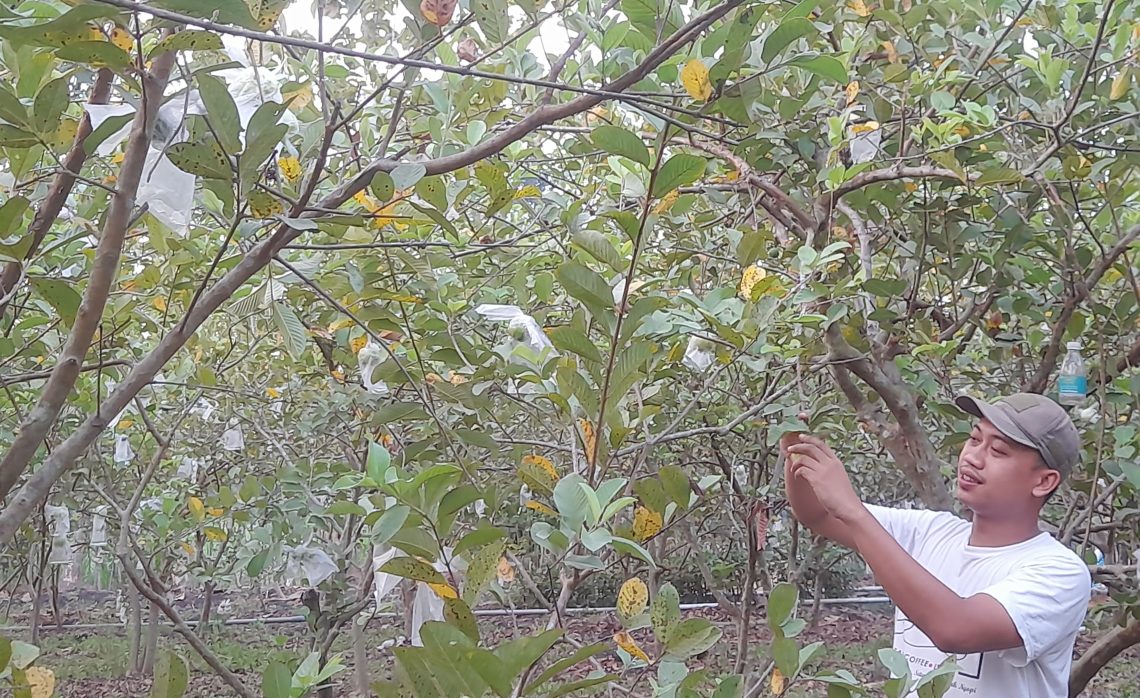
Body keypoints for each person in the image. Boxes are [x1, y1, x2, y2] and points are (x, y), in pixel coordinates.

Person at [781, 392, 1091, 697]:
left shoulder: (1059, 572)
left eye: (997, 451)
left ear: (1043, 482)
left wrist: (854, 511)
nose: (973, 457)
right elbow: (818, 513)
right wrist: (799, 453)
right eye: (973, 439)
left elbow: (956, 629)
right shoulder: (930, 531)